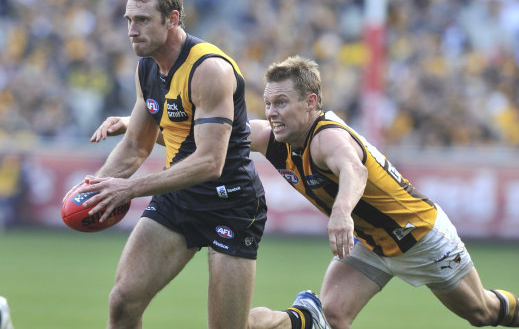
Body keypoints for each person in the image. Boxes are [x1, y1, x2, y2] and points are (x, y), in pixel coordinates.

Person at [91, 56, 519, 329]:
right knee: (332, 315)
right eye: (269, 103)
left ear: (312, 103)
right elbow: (214, 136)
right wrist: (132, 125)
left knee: (481, 314)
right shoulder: (274, 136)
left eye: (282, 103)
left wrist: (341, 213)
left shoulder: (327, 137)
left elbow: (353, 170)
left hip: (418, 236)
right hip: (368, 241)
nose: (272, 113)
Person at [72, 0, 275, 329]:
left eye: (143, 20)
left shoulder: (209, 69)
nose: (132, 30)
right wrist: (98, 186)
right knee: (122, 302)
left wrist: (130, 189)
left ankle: (300, 319)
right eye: (129, 20)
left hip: (231, 204)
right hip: (178, 199)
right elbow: (136, 146)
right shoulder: (147, 67)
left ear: (173, 19)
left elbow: (211, 162)